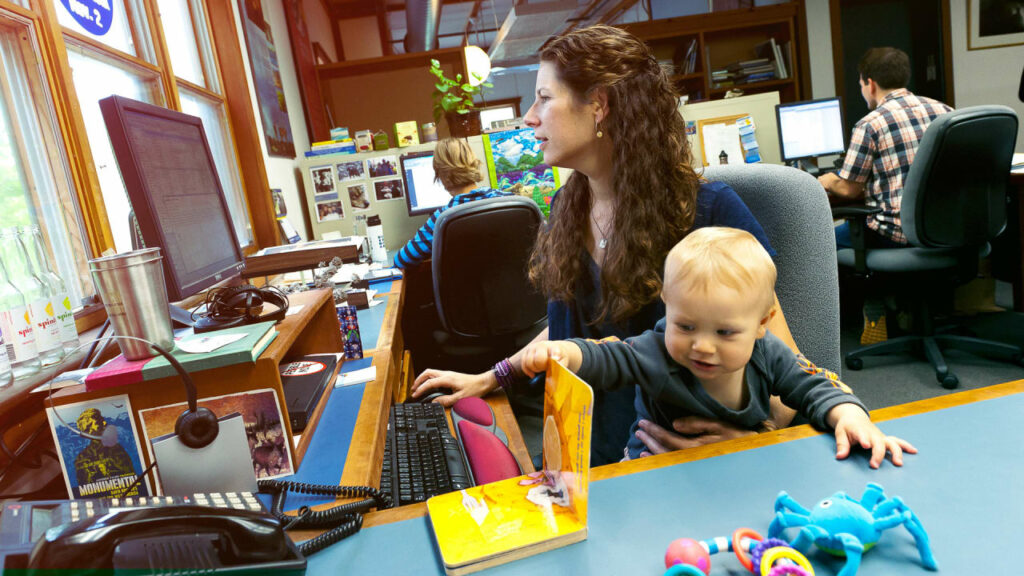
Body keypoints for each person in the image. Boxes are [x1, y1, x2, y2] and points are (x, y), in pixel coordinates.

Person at [412, 25, 804, 466]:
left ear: (598, 104)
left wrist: (746, 439)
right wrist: (494, 375)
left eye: (544, 97)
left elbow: (785, 370)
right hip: (584, 462)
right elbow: (571, 333)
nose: (529, 117)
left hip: (671, 469)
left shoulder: (705, 213)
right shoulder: (566, 207)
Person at [520, 227, 916, 468]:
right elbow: (605, 357)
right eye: (686, 326)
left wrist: (851, 417)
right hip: (654, 473)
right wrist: (565, 354)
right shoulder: (655, 351)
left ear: (762, 324)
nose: (702, 347)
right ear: (667, 308)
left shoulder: (769, 355)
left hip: (743, 467)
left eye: (725, 333)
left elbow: (816, 387)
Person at [818, 47, 952, 249]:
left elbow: (849, 189)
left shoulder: (870, 125)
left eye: (861, 84)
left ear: (870, 84)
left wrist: (828, 180)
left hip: (896, 232)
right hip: (945, 226)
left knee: (815, 243)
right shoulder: (945, 112)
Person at [393, 138, 510, 269]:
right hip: (517, 286)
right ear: (474, 164)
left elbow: (401, 260)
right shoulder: (511, 202)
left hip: (465, 289)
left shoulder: (443, 218)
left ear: (441, 175)